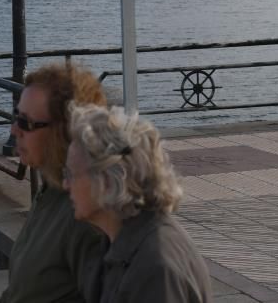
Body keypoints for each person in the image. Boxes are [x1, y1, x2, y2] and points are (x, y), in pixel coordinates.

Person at [65, 104, 213, 303]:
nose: (65, 184)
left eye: (71, 174)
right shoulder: (116, 240)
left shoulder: (155, 269)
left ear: (106, 183)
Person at [0, 62, 108, 303]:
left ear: (63, 131)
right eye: (16, 116)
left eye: (26, 123)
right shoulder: (50, 191)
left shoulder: (86, 215)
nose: (14, 129)